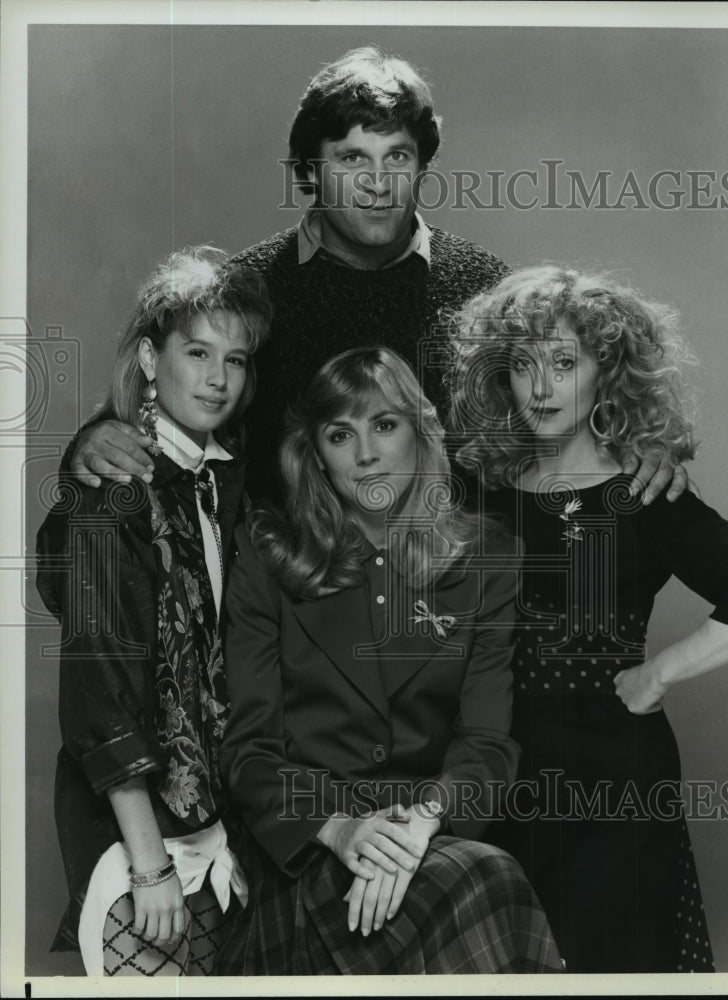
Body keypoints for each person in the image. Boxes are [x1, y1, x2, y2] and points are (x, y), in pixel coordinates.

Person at [65, 45, 684, 505]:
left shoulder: (485, 287)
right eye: (352, 159)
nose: (378, 183)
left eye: (398, 157)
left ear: (421, 167)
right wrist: (94, 440)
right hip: (285, 599)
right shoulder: (247, 288)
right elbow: (163, 398)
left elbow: (562, 403)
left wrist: (636, 447)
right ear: (310, 171)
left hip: (450, 595)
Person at [216, 346, 564, 975]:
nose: (366, 455)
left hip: (424, 836)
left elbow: (486, 740)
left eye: (384, 425)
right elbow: (250, 753)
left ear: (419, 433)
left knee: (482, 876)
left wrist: (420, 823)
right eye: (340, 434)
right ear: (315, 454)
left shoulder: (488, 557)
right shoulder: (267, 556)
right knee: (487, 881)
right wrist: (340, 828)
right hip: (309, 846)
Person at [448, 265, 728, 973]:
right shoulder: (478, 491)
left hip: (615, 782)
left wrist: (659, 673)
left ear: (607, 372)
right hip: (496, 774)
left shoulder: (644, 491)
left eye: (563, 363)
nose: (541, 388)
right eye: (523, 365)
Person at [35, 246, 272, 975]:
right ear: (148, 357)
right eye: (197, 352)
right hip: (137, 825)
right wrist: (147, 864)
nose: (217, 378)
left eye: (235, 360)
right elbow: (98, 685)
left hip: (229, 821)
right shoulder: (109, 495)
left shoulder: (225, 484)